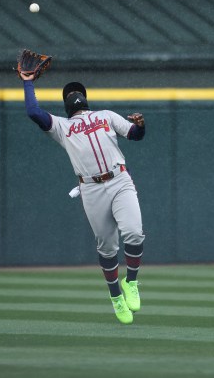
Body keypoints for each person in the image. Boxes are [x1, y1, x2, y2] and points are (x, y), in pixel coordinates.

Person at [20, 72, 146, 325]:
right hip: (91, 189)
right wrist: (27, 81)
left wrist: (141, 125)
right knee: (107, 247)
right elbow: (33, 112)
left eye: (77, 92)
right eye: (70, 93)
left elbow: (134, 134)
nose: (74, 94)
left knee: (134, 232)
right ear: (66, 103)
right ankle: (116, 298)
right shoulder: (61, 127)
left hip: (120, 179)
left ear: (85, 98)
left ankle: (131, 281)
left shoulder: (106, 116)